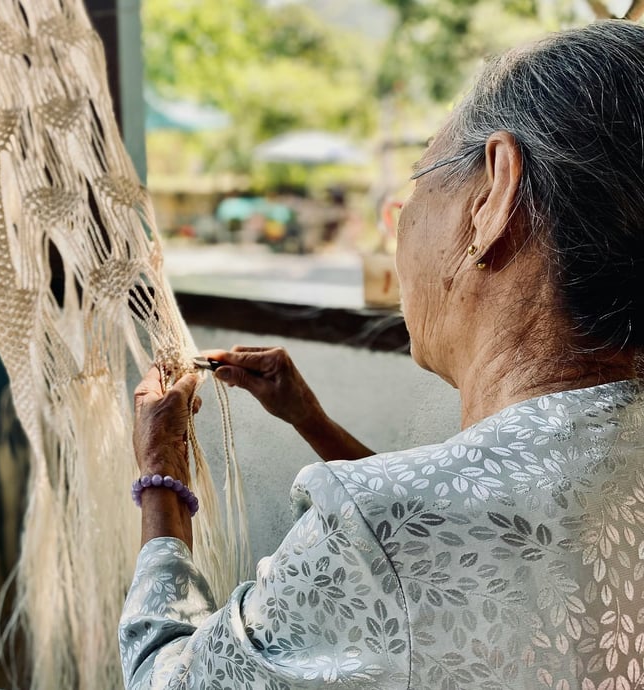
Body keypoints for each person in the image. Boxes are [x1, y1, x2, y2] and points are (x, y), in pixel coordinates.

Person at [120, 20, 644, 690]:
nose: (398, 226)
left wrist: (161, 476)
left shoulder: (372, 535)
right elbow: (460, 548)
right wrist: (310, 420)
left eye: (420, 182)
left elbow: (163, 680)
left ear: (492, 195)